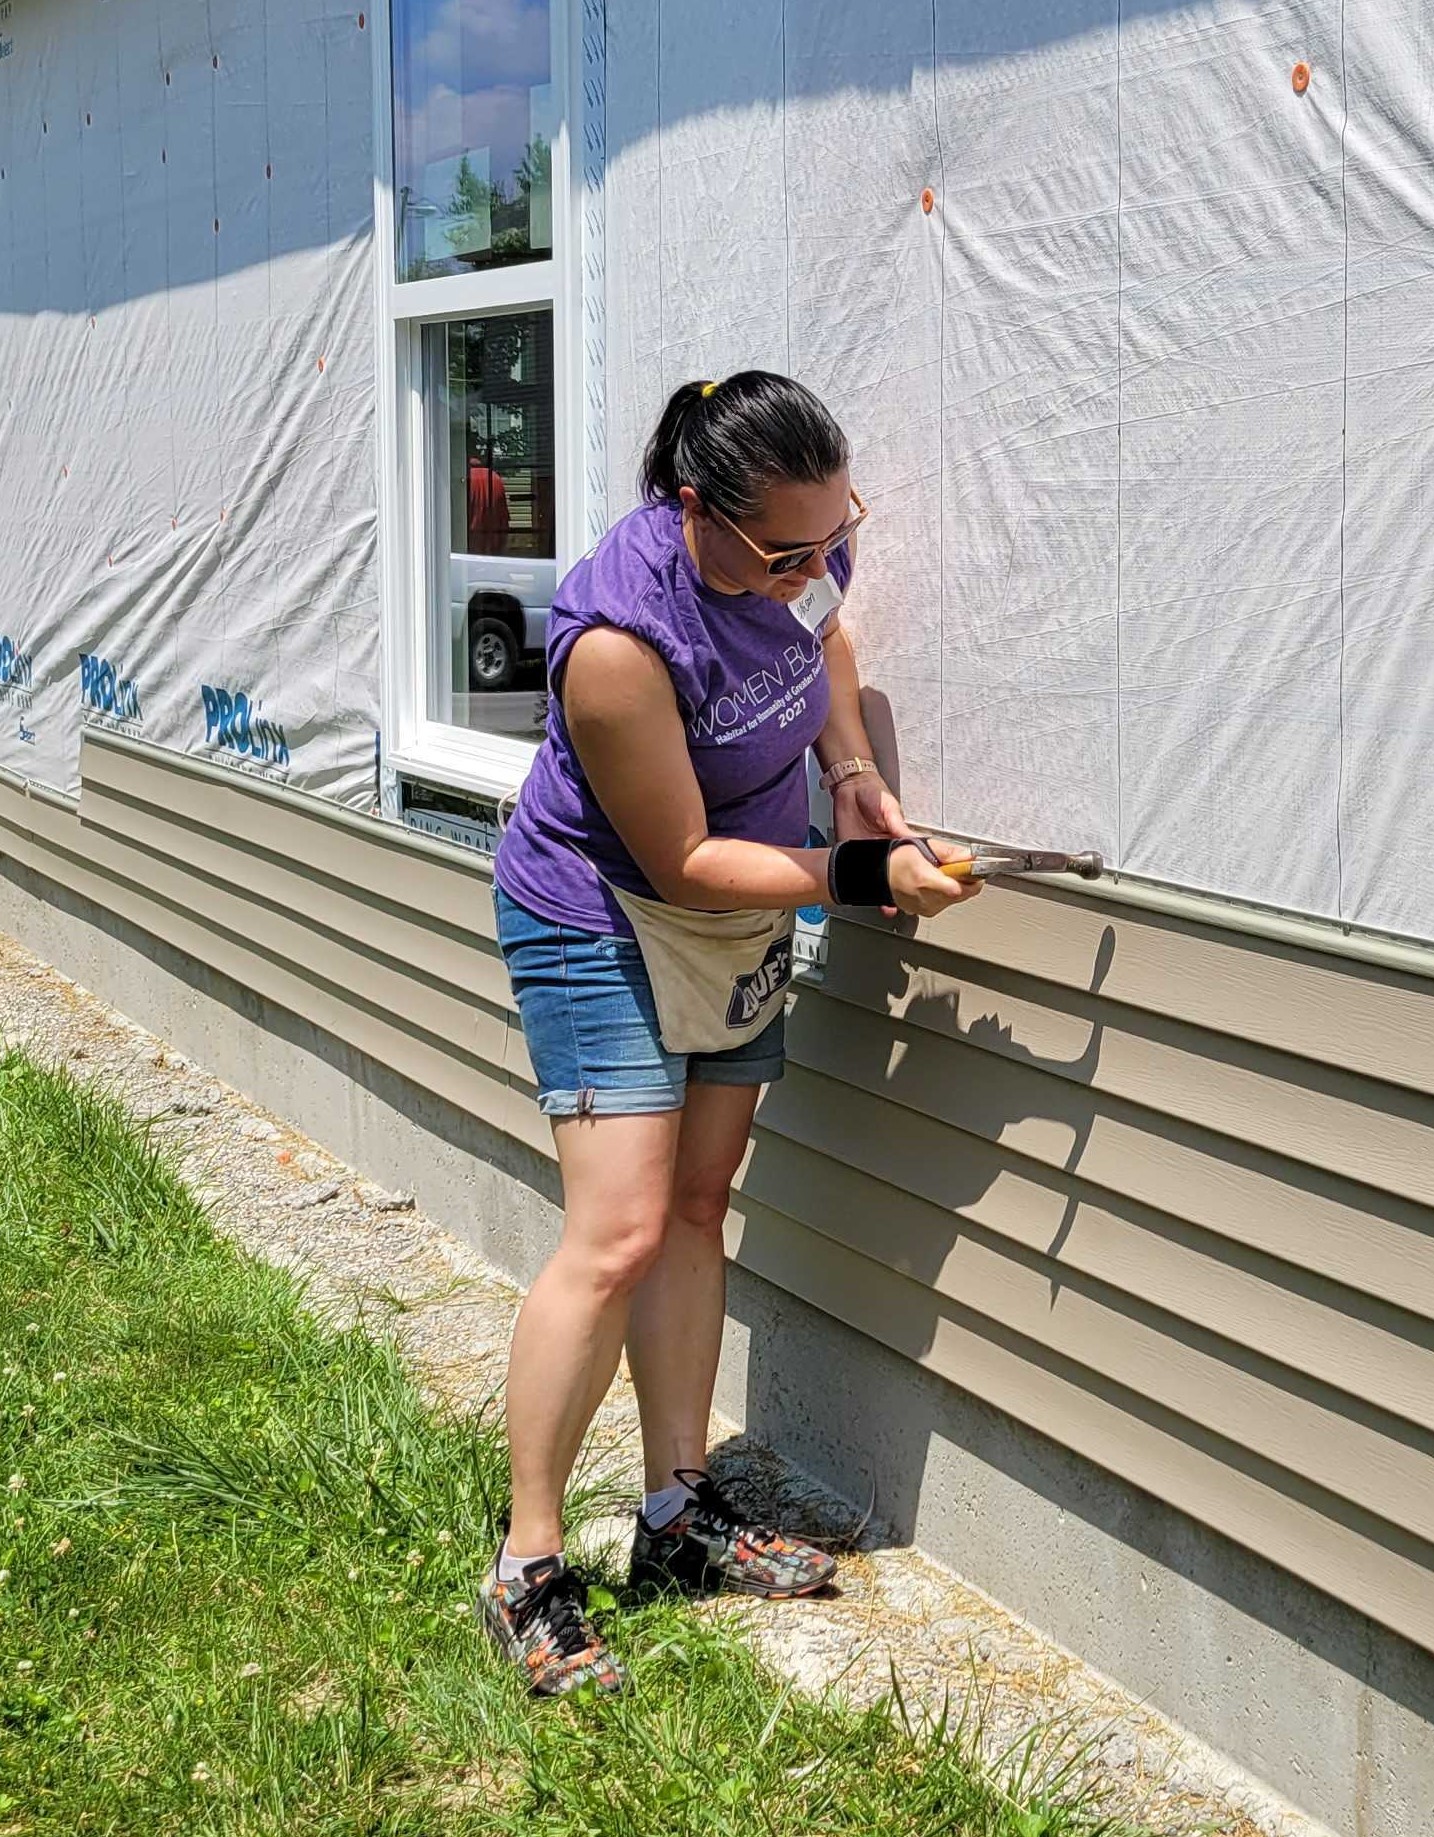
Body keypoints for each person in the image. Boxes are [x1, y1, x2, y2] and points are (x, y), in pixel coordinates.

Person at [481, 372, 983, 1696]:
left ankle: (676, 1512)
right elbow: (687, 859)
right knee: (621, 1232)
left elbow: (821, 642)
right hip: (606, 916)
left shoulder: (795, 548)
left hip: (736, 907)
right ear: (694, 509)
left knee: (698, 1205)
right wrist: (864, 877)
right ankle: (528, 1563)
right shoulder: (617, 648)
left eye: (835, 537)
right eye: (785, 551)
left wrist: (856, 779)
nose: (818, 566)